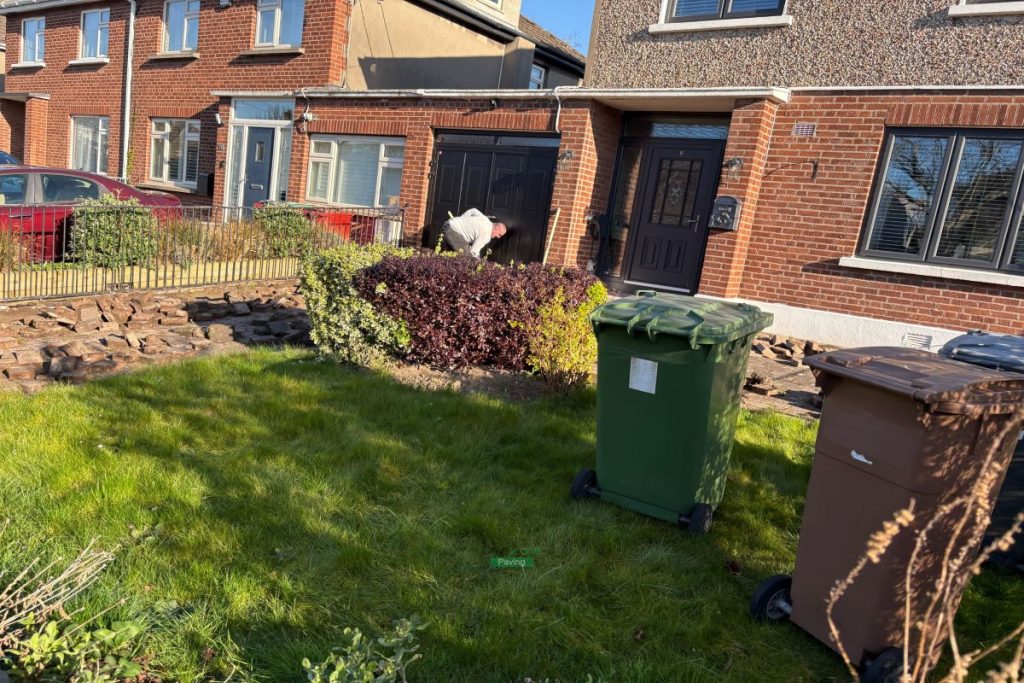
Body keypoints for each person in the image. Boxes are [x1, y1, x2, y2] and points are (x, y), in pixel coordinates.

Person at [442, 208, 507, 257]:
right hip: (451, 229)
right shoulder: (486, 235)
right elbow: (473, 252)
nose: (498, 237)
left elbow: (473, 210)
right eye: (499, 234)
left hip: (451, 223)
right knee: (467, 256)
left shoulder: (485, 219)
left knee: (464, 249)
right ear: (495, 228)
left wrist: (461, 219)